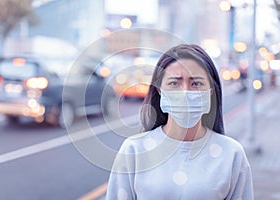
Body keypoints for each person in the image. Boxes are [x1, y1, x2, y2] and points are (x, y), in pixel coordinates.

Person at [106, 44, 254, 200]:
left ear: (210, 90)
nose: (185, 92)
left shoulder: (232, 154)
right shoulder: (134, 150)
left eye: (196, 83)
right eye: (174, 83)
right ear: (159, 89)